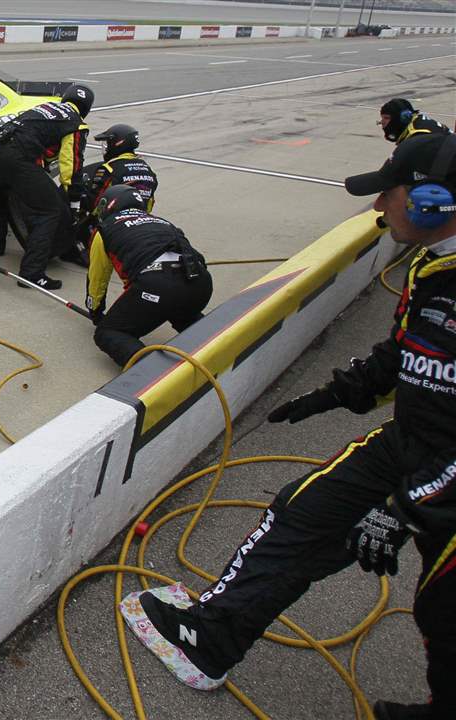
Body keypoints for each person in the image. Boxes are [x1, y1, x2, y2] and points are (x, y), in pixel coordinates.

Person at [125, 133, 456, 720]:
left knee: (445, 610)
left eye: (389, 195)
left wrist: (409, 508)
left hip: (445, 478)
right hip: (414, 445)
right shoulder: (437, 264)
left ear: (434, 200)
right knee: (302, 513)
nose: (378, 209)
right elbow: (407, 352)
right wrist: (336, 393)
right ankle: (211, 638)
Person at [0, 84, 93, 290]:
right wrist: (74, 201)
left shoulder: (45, 108)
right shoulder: (75, 124)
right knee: (48, 211)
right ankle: (32, 273)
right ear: (86, 108)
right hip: (19, 157)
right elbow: (71, 166)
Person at [85, 185, 211, 367]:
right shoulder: (161, 222)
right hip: (200, 282)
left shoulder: (105, 230)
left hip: (158, 285)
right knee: (182, 310)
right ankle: (216, 343)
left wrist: (96, 312)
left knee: (109, 332)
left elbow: (98, 278)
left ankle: (151, 374)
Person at [89, 123, 158, 210]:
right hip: (141, 216)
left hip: (114, 219)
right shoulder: (147, 169)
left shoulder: (109, 168)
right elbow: (150, 203)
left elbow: (95, 202)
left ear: (118, 143)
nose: (106, 148)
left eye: (107, 144)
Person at [379, 98, 450, 144]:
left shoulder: (416, 137)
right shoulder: (418, 122)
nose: (382, 122)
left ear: (404, 118)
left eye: (386, 118)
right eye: (382, 118)